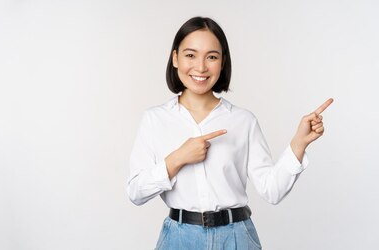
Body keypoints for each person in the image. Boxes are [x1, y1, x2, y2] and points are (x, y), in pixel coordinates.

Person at [127, 16, 333, 250]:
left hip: (237, 238)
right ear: (175, 58)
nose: (201, 67)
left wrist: (299, 143)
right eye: (190, 55)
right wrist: (178, 158)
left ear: (222, 62)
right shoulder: (155, 119)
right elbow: (136, 192)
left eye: (212, 57)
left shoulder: (242, 121)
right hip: (179, 239)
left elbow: (272, 191)